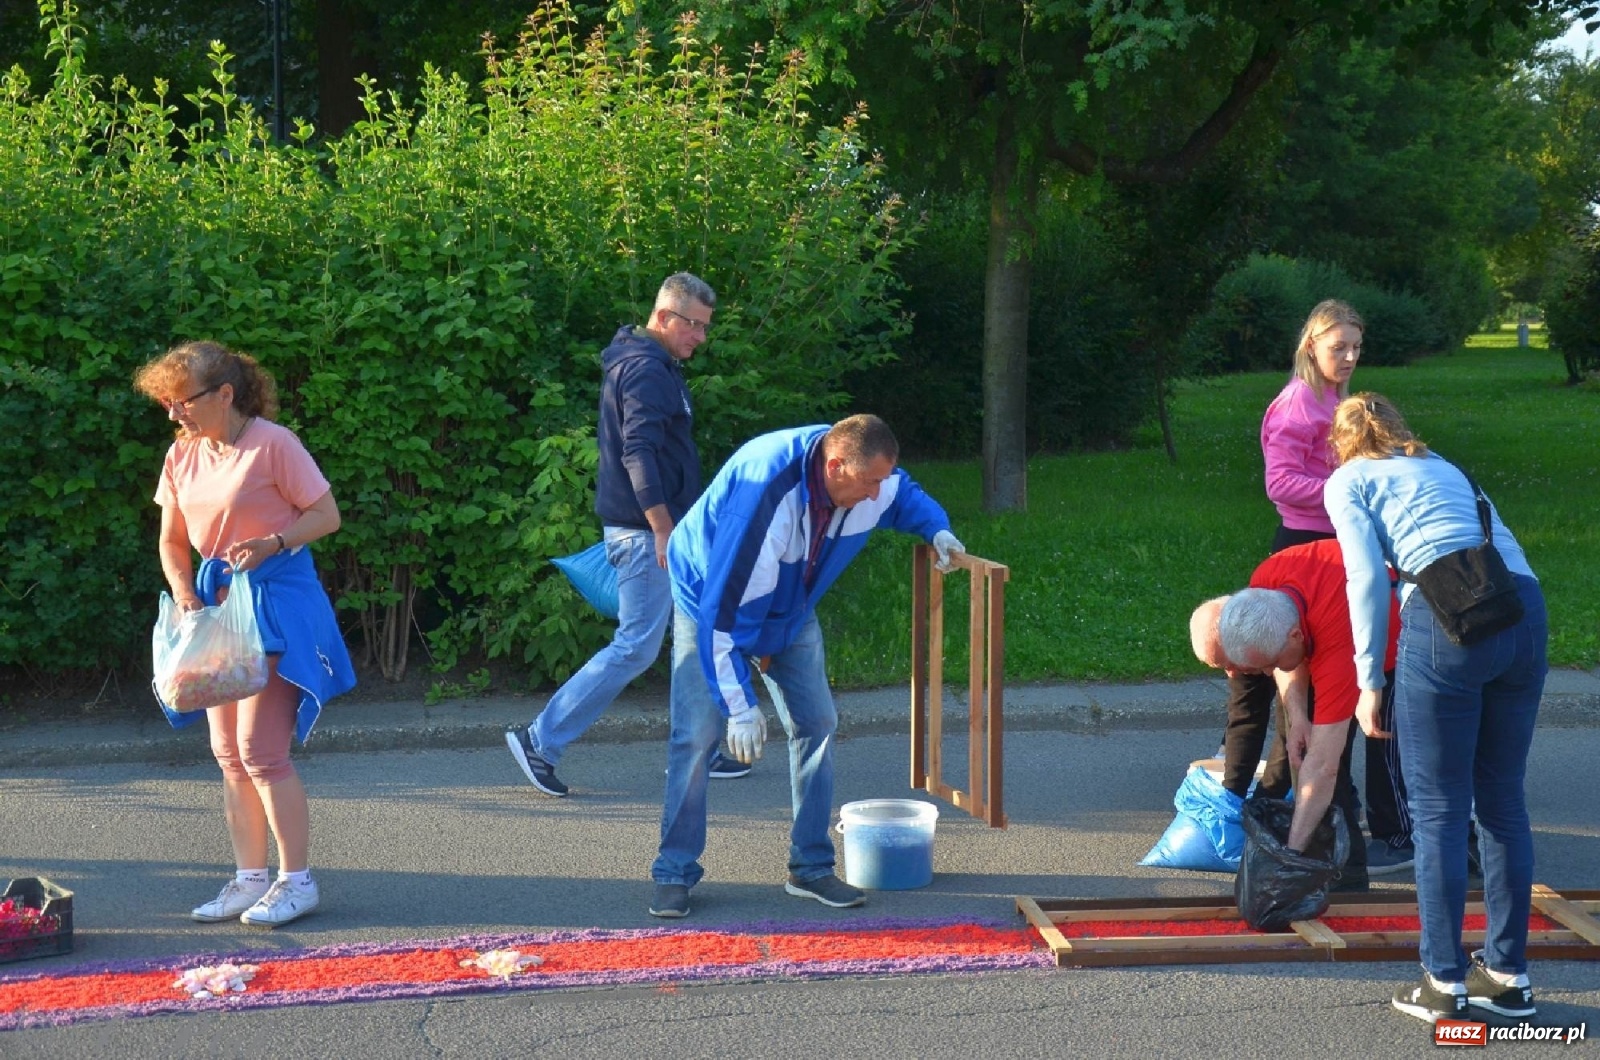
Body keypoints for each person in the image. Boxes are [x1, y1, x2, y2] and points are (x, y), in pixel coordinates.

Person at [648, 414, 964, 918]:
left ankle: (810, 868)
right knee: (697, 736)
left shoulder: (869, 478)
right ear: (835, 466)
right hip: (709, 599)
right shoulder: (766, 498)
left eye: (882, 479)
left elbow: (905, 496)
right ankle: (673, 872)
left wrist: (937, 529)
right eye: (869, 482)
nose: (877, 493)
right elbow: (723, 621)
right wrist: (742, 709)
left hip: (790, 606)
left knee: (817, 723)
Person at [1325, 393, 1545, 1024]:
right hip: (1524, 611)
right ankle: (1508, 977)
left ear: (1341, 444)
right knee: (1502, 799)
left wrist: (1370, 681)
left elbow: (1366, 578)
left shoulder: (1350, 479)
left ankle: (1443, 982)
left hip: (1445, 623)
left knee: (1439, 809)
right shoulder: (1445, 465)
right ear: (1399, 430)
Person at [136, 340, 355, 928]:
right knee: (228, 753)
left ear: (224, 394)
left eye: (182, 400)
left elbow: (325, 515)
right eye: (168, 402)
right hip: (216, 609)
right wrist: (185, 592)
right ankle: (249, 880)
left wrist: (274, 542)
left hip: (278, 603)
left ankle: (297, 882)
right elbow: (172, 540)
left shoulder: (273, 444)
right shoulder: (180, 456)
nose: (174, 413)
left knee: (261, 751)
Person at [505, 273, 749, 796]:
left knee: (694, 637)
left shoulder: (652, 365)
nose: (701, 337)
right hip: (647, 536)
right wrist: (663, 530)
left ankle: (698, 747)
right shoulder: (645, 371)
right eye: (694, 325)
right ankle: (539, 741)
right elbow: (638, 453)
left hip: (662, 533)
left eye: (706, 327)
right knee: (637, 646)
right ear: (664, 317)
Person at [1220, 299, 1413, 874]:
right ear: (1311, 346)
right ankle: (1302, 800)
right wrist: (1347, 486)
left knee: (1359, 676)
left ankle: (1331, 806)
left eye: (1356, 346)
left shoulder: (1337, 399)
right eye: (1339, 347)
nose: (1350, 357)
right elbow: (1279, 481)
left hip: (1346, 547)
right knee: (1303, 682)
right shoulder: (1294, 405)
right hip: (1304, 552)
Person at [1190, 538, 1401, 889]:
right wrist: (1298, 715)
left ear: (1296, 635)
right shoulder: (1266, 584)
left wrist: (1288, 857)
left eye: (1270, 664)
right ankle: (1336, 867)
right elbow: (1288, 659)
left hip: (1398, 646)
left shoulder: (1337, 642)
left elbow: (1324, 766)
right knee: (1304, 750)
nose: (1269, 672)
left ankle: (1381, 862)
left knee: (1382, 751)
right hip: (1328, 621)